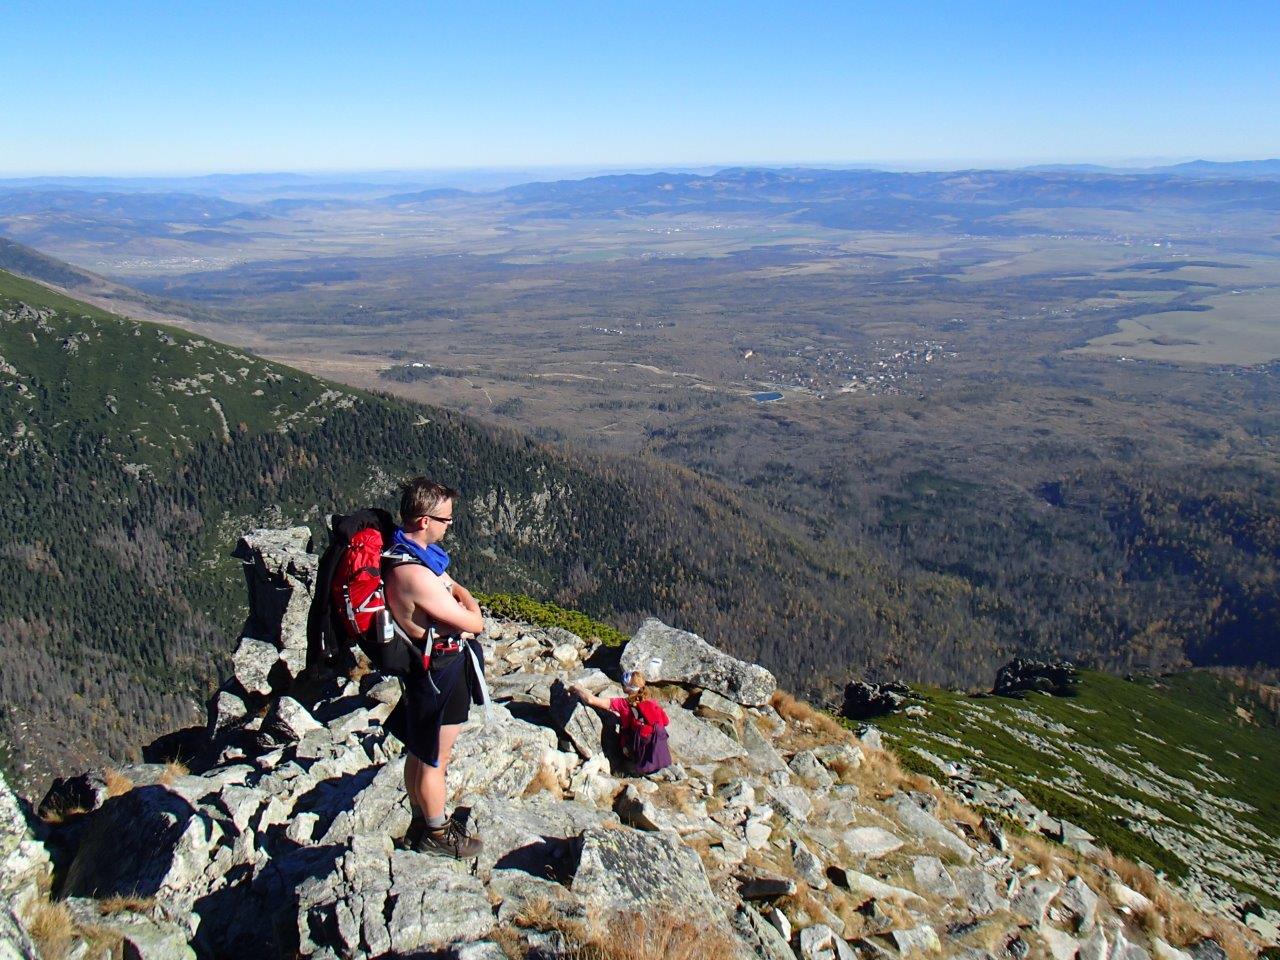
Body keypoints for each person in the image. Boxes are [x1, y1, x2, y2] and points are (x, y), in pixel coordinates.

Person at [384, 477, 487, 858]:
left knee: (418, 750)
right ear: (425, 520)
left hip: (424, 668)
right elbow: (473, 622)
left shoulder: (403, 556)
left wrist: (459, 598)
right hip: (441, 670)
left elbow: (452, 590)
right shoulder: (418, 574)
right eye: (446, 519)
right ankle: (437, 833)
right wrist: (470, 604)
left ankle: (419, 820)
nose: (449, 525)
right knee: (434, 761)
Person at [570, 670, 673, 776]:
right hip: (658, 742)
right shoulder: (651, 701)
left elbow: (590, 700)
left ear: (628, 687)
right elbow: (666, 721)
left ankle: (631, 766)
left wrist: (577, 687)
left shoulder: (623, 704)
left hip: (639, 743)